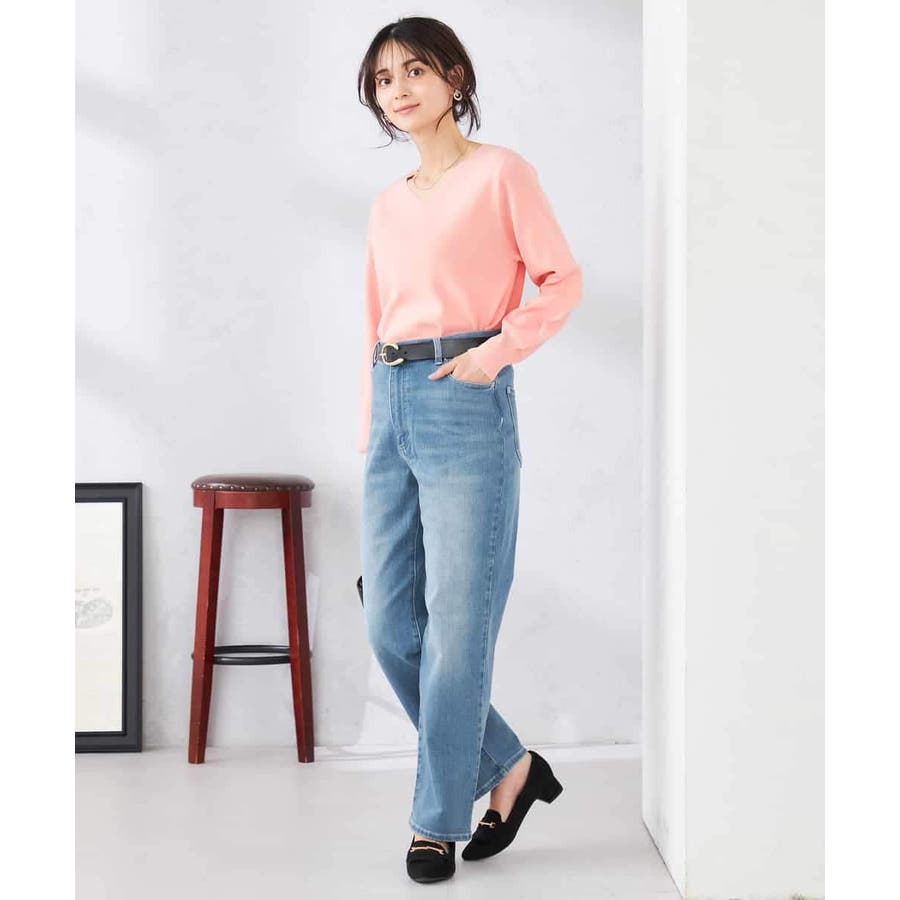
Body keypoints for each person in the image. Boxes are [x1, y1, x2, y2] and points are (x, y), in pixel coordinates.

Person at [356, 16, 580, 884]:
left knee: (455, 626)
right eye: (384, 80)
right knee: (389, 623)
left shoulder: (501, 174)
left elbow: (560, 280)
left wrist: (493, 356)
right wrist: (373, 423)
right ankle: (510, 766)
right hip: (391, 401)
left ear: (454, 78)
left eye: (415, 70)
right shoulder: (387, 204)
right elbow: (375, 318)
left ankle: (434, 823)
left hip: (464, 397)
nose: (400, 89)